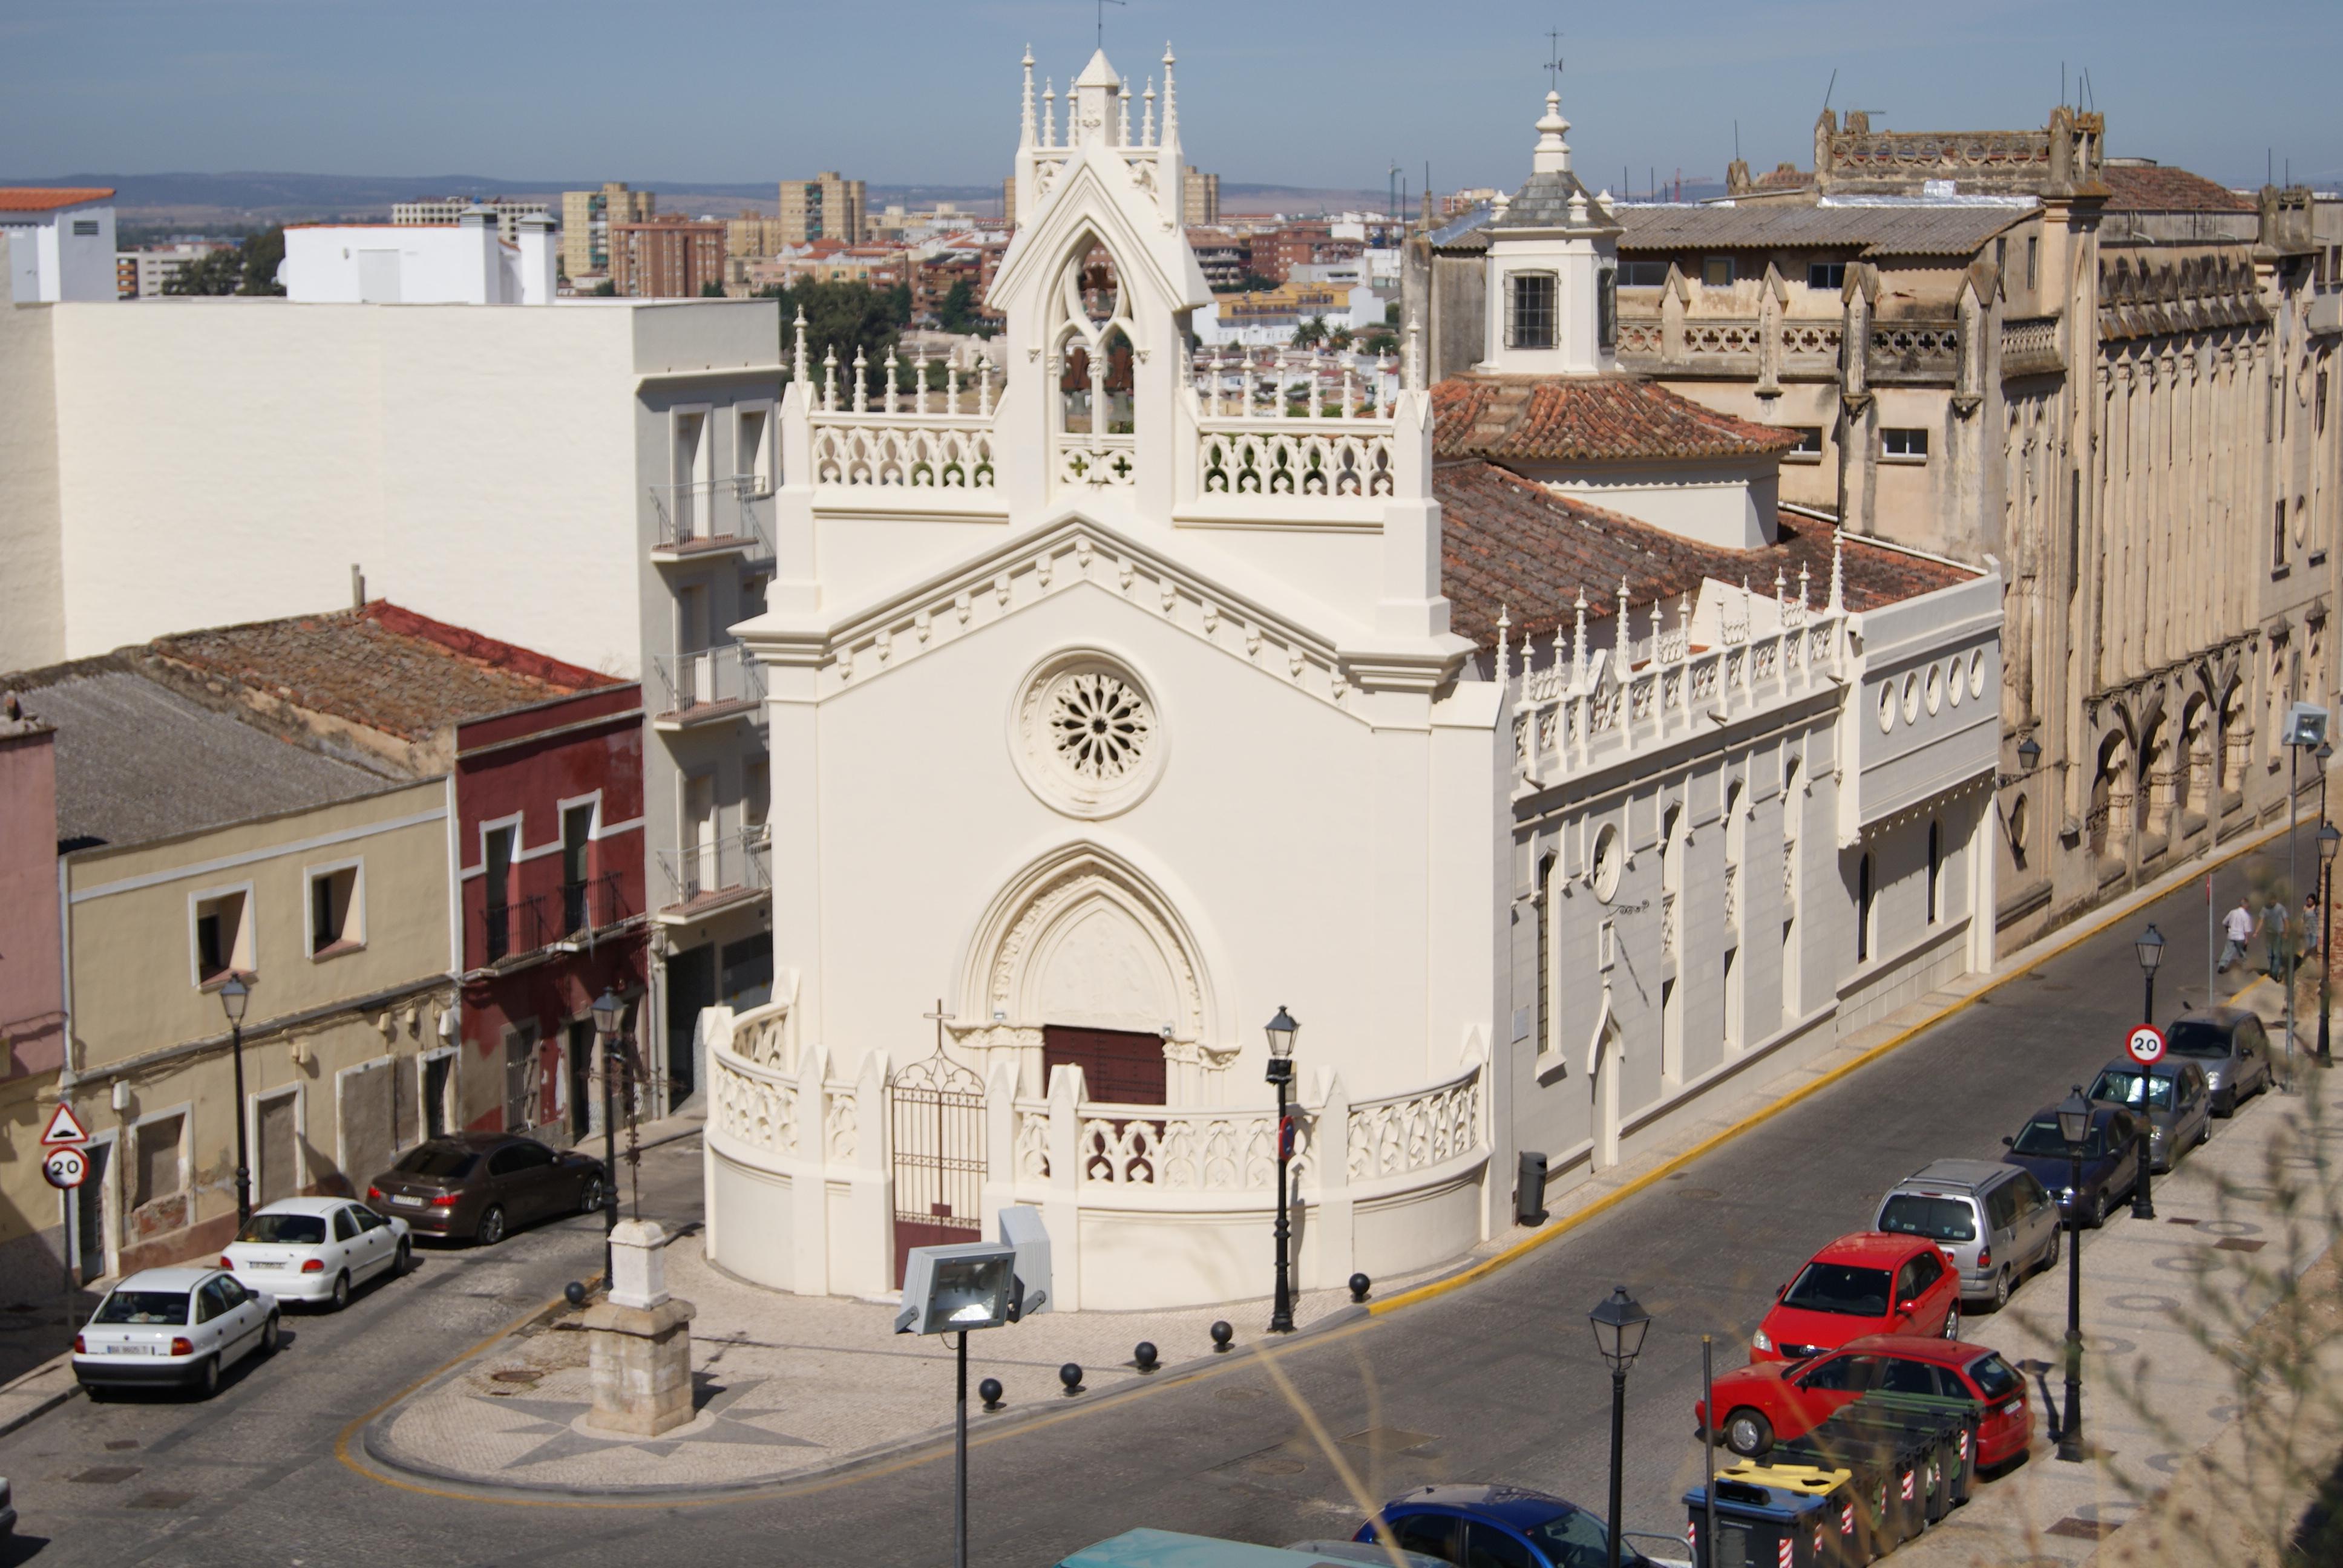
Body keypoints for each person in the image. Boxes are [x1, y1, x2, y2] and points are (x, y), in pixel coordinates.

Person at [2220, 897, 2255, 973]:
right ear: (2245, 905)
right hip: (2240, 937)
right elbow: (2247, 930)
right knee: (2242, 952)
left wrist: (2228, 929)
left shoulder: (2232, 912)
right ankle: (2246, 966)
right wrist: (2246, 940)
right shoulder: (2246, 916)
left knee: (2227, 951)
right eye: (2248, 905)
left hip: (2231, 935)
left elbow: (2224, 922)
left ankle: (2222, 965)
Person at [2263, 894, 2293, 978]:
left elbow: (2286, 920)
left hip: (2278, 934)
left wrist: (2286, 932)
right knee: (2270, 954)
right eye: (2270, 900)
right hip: (2269, 934)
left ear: (2276, 900)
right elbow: (2262, 920)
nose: (2272, 902)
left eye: (2273, 900)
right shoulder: (2266, 908)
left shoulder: (2281, 909)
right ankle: (2273, 969)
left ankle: (2274, 974)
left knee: (2276, 954)